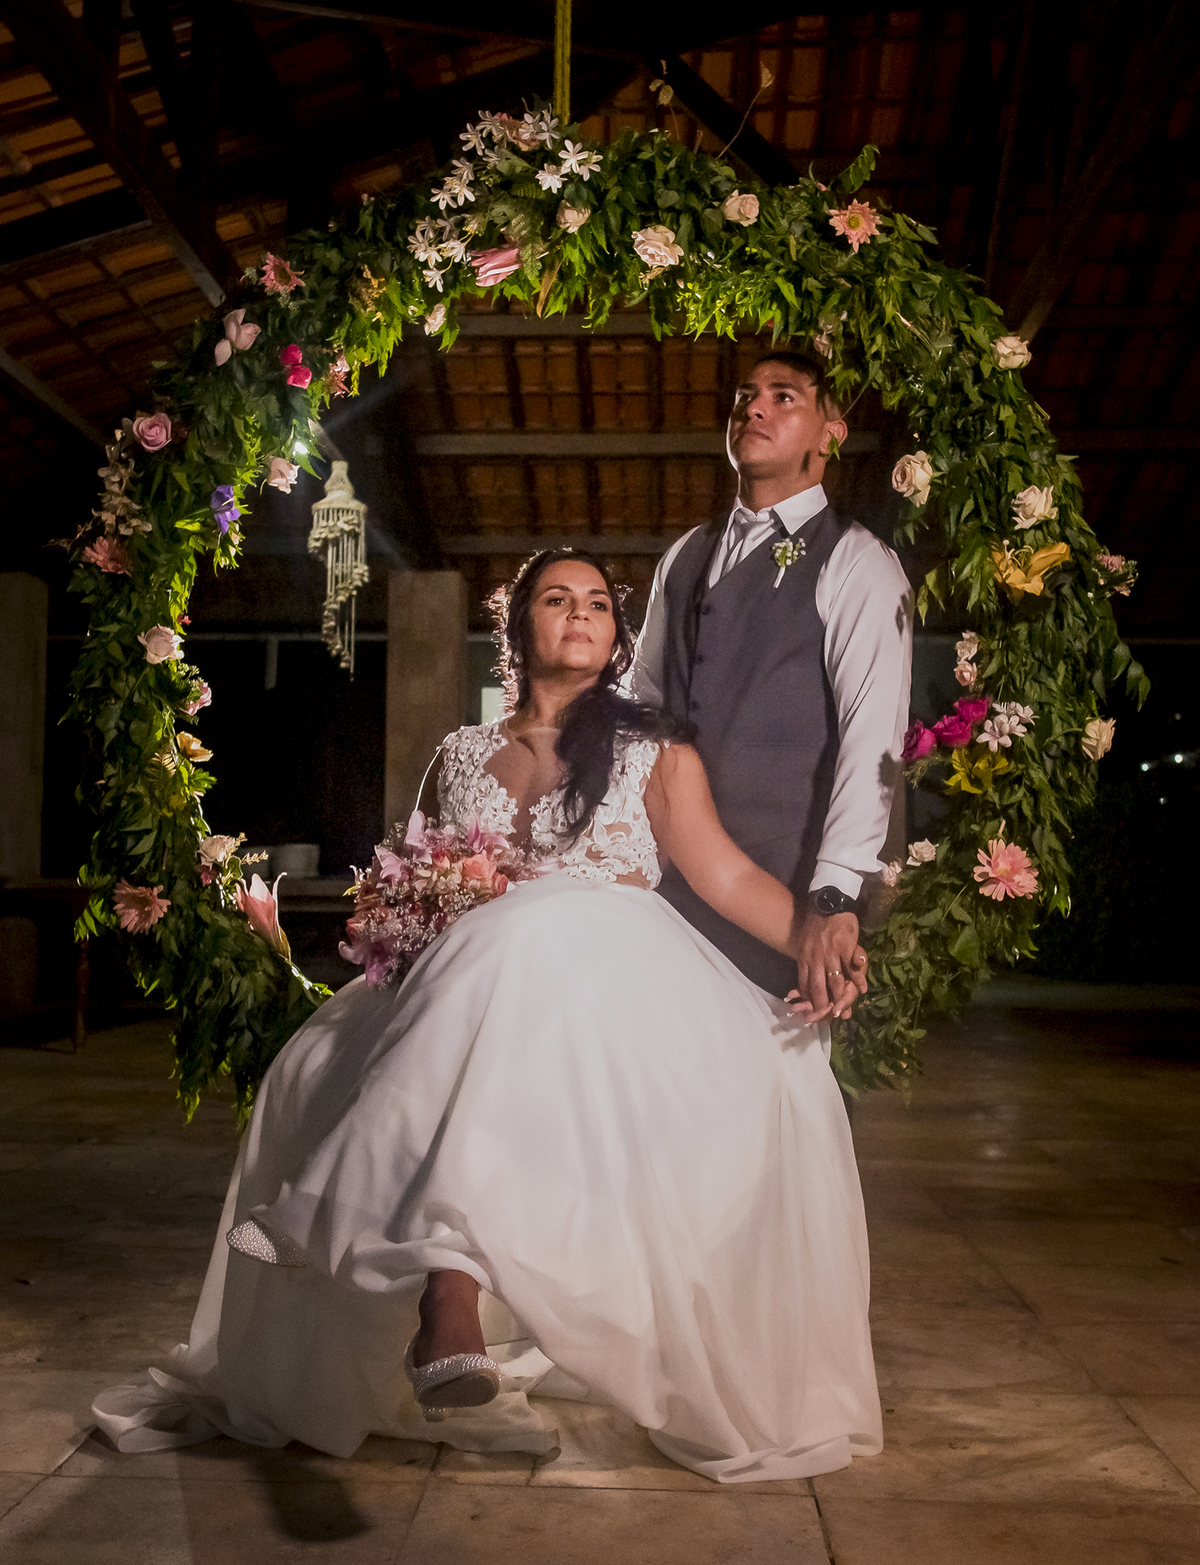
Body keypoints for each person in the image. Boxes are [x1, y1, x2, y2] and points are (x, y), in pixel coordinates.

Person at [93, 549, 883, 1485]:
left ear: (617, 635)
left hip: (612, 969)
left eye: (598, 603)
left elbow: (725, 876)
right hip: (480, 970)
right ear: (519, 630)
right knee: (321, 1053)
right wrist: (412, 911)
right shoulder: (464, 753)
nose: (581, 614)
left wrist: (820, 937)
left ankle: (360, 1234)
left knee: (524, 933)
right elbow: (411, 876)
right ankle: (440, 1296)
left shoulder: (652, 750)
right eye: (558, 598)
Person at [629, 351, 912, 1021]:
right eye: (745, 395)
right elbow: (639, 706)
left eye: (784, 396)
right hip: (659, 901)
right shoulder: (684, 555)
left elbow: (873, 745)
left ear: (830, 431)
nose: (753, 408)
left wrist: (834, 897)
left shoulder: (857, 562)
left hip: (777, 905)